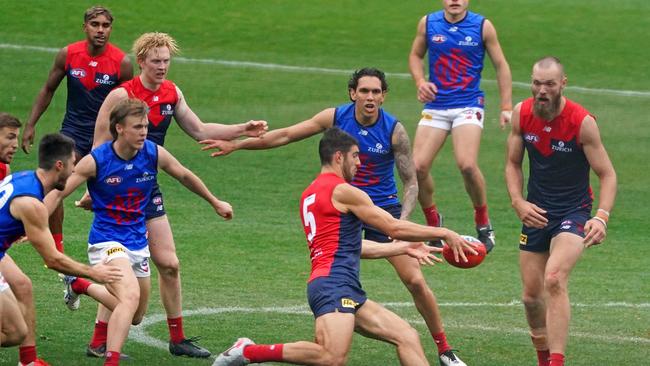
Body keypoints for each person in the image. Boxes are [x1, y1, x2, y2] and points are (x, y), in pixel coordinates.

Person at [201, 67, 468, 364]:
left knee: (412, 301)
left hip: (376, 213)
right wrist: (441, 232)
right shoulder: (336, 129)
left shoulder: (392, 131)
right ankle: (249, 352)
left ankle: (444, 348)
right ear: (353, 93)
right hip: (343, 237)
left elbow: (410, 183)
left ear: (383, 96)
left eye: (376, 92)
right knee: (330, 355)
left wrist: (403, 235)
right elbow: (286, 134)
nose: (370, 97)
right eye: (364, 91)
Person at [84, 32, 267, 358]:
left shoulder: (171, 93)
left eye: (166, 61)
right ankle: (99, 336)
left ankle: (176, 338)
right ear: (141, 61)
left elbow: (199, 130)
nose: (162, 67)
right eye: (156, 61)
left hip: (146, 186)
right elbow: (99, 145)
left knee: (169, 264)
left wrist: (242, 129)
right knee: (119, 266)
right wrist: (93, 189)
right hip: (114, 187)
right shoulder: (120, 96)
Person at [46, 98, 233, 366]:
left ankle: (80, 284)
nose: (143, 132)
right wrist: (36, 218)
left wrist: (215, 201)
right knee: (129, 297)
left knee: (135, 315)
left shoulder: (152, 153)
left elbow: (183, 174)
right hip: (106, 242)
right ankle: (111, 360)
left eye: (145, 126)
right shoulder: (96, 161)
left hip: (136, 242)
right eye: (137, 127)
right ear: (119, 128)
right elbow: (59, 191)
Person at [505, 57, 617, 366]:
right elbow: (513, 163)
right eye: (537, 83)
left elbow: (607, 174)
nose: (542, 90)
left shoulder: (582, 122)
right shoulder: (522, 113)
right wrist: (518, 201)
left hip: (574, 210)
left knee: (553, 279)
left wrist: (601, 216)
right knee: (530, 297)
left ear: (563, 84)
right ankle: (543, 359)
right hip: (536, 212)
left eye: (549, 84)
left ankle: (557, 361)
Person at [0, 133, 123, 365]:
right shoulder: (32, 203)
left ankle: (28, 361)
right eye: (73, 164)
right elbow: (53, 260)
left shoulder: (24, 178)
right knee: (14, 332)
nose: (75, 170)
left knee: (23, 286)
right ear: (59, 165)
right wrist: (92, 273)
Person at [22, 5, 133, 255]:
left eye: (105, 25)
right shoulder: (68, 54)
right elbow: (48, 89)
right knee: (54, 185)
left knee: (114, 191)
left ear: (111, 29)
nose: (100, 30)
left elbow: (128, 107)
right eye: (95, 25)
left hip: (105, 138)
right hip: (71, 133)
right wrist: (30, 125)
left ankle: (122, 245)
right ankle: (57, 249)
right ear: (85, 27)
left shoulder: (122, 63)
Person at [408, 0, 512, 251]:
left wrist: (506, 107)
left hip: (468, 104)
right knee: (416, 168)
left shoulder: (482, 26)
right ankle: (434, 224)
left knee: (466, 165)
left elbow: (501, 65)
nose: (455, 1)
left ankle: (483, 222)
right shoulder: (428, 23)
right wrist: (420, 81)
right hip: (437, 105)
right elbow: (415, 55)